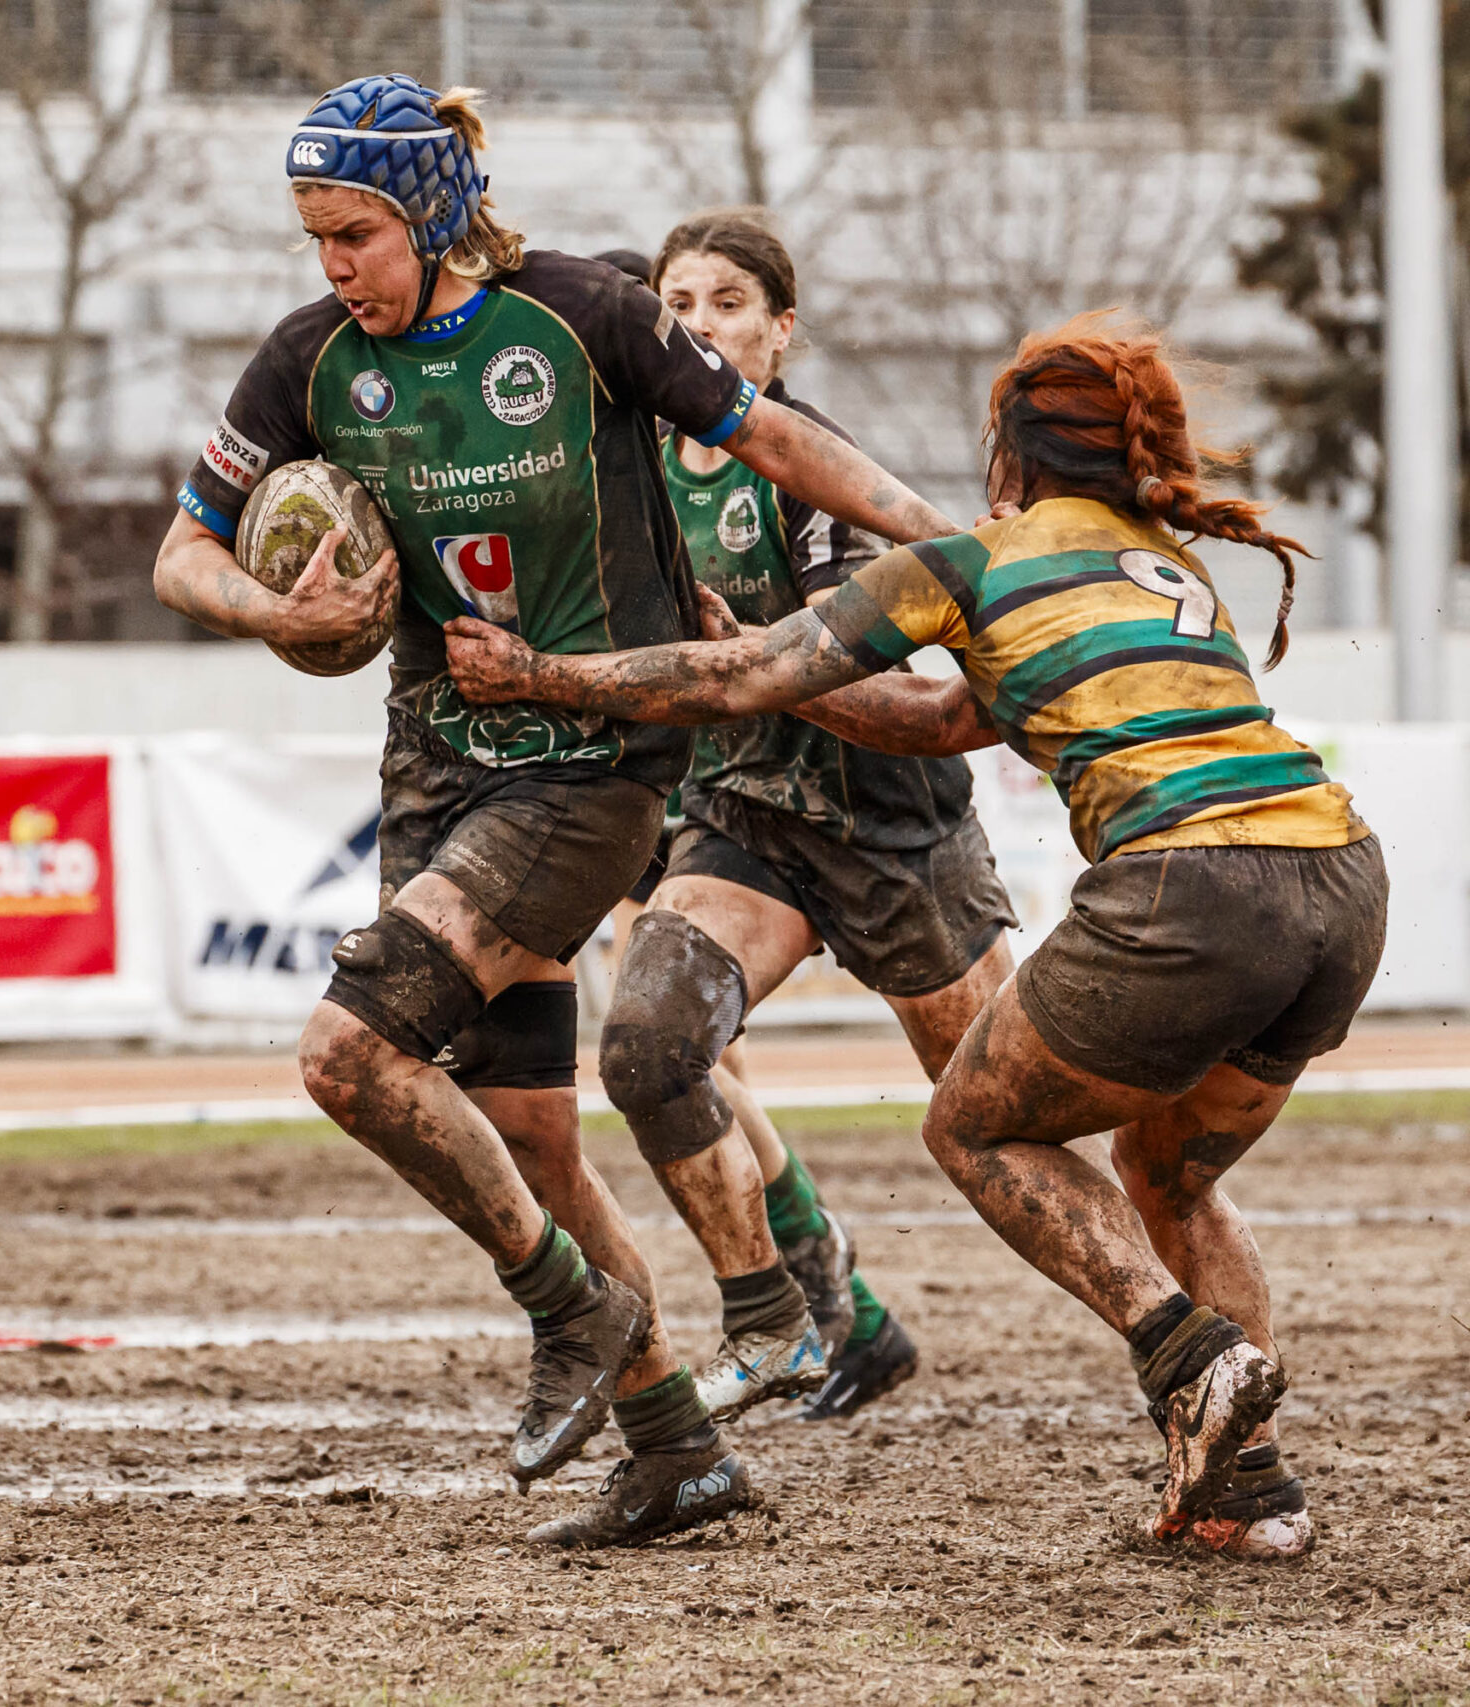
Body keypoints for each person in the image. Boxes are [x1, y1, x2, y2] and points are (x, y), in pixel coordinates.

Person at [153, 73, 959, 1548]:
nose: (334, 266)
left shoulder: (586, 314)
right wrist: (270, 600)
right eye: (315, 238)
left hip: (593, 767)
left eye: (356, 235)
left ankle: (573, 1312)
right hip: (434, 762)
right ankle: (671, 1441)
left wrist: (941, 539)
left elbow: (774, 437)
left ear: (435, 216)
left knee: (348, 1052)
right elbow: (180, 553)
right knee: (525, 1126)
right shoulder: (310, 362)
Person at [442, 311, 1379, 1560]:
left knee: (973, 1122)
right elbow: (942, 724)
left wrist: (540, 674)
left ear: (1010, 455)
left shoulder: (970, 559)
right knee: (1169, 1174)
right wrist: (746, 652)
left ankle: (1189, 1352)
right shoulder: (1163, 566)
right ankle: (1245, 1493)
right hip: (1339, 879)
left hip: (1191, 887)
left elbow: (746, 688)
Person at [618, 211, 1017, 1423]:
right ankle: (814, 1306)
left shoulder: (804, 460)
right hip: (735, 809)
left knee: (1005, 1115)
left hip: (885, 821)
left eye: (727, 303)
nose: (698, 327)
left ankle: (1180, 1335)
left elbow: (862, 664)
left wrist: (770, 662)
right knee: (662, 1045)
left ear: (780, 333)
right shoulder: (627, 469)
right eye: (674, 306)